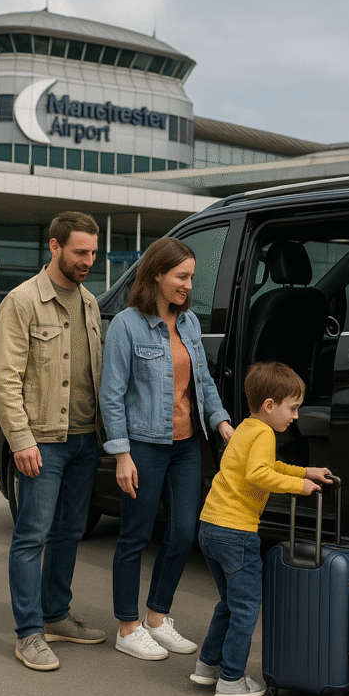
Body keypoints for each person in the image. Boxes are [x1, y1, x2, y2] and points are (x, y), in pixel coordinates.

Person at [99, 237, 235, 661]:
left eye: (191, 278)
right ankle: (127, 626)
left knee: (181, 534)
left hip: (186, 444)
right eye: (181, 277)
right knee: (135, 536)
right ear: (157, 274)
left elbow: (204, 383)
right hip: (143, 445)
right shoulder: (126, 324)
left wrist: (221, 421)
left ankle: (157, 618)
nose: (188, 286)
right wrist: (122, 454)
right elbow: (112, 393)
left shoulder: (189, 323)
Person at [0, 211, 106, 671]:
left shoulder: (91, 303)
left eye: (94, 253)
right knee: (31, 537)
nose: (88, 261)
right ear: (55, 247)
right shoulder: (22, 302)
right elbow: (5, 380)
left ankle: (56, 615)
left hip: (84, 440)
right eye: (80, 252)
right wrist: (21, 441)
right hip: (43, 441)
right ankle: (28, 633)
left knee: (69, 533)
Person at [190, 361, 332, 696]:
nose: (296, 417)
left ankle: (208, 666)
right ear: (270, 406)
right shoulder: (266, 434)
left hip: (210, 526)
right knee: (246, 606)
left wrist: (306, 471)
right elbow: (259, 474)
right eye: (293, 408)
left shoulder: (246, 429)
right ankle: (231, 680)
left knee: (228, 603)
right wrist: (299, 486)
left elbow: (269, 466)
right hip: (237, 533)